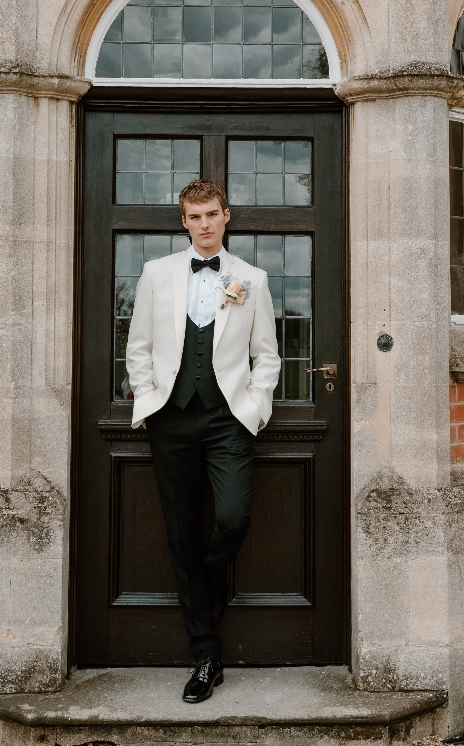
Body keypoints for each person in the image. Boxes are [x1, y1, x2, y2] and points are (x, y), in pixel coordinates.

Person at [126, 179, 281, 704]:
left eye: (212, 214)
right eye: (194, 217)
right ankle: (205, 655)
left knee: (232, 517)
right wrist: (149, 400)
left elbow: (268, 357)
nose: (205, 224)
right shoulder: (156, 274)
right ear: (184, 221)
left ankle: (212, 580)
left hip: (226, 420)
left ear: (226, 215)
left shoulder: (251, 280)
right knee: (180, 533)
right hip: (170, 419)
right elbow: (139, 347)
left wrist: (252, 412)